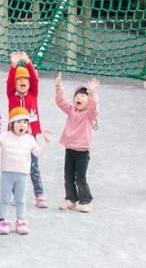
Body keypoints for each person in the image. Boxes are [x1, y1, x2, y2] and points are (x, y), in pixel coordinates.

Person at [0, 107, 51, 236]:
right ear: (12, 124)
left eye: (25, 122)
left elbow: (37, 153)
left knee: (20, 200)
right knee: (4, 199)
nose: (22, 125)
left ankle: (21, 221)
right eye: (19, 122)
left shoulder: (30, 139)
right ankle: (3, 221)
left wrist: (46, 143)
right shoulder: (5, 136)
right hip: (7, 173)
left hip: (22, 174)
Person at [6, 51, 47, 208]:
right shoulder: (12, 95)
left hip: (30, 135)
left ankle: (39, 194)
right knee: (15, 164)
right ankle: (16, 195)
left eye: (25, 79)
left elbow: (35, 79)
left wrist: (28, 63)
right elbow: (9, 82)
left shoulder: (32, 94)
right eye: (19, 79)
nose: (22, 81)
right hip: (14, 135)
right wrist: (13, 66)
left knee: (33, 165)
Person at [55, 74, 99, 213]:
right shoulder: (71, 110)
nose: (78, 98)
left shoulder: (89, 115)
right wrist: (58, 87)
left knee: (80, 178)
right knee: (68, 177)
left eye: (83, 96)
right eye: (77, 96)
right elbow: (61, 102)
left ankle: (86, 201)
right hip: (70, 149)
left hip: (82, 152)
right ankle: (71, 199)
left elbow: (94, 107)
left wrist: (92, 93)